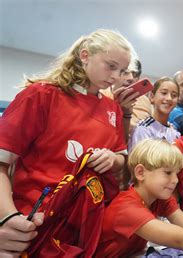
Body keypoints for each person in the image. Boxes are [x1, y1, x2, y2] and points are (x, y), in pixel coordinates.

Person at [0, 29, 133, 256]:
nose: (115, 77)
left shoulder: (113, 110)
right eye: (111, 66)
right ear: (85, 55)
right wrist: (7, 216)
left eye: (121, 71)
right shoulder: (41, 95)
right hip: (35, 221)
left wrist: (113, 159)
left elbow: (121, 159)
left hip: (86, 224)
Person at [128, 76, 181, 152]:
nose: (169, 98)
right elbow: (138, 161)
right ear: (152, 97)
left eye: (174, 95)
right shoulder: (143, 128)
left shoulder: (175, 132)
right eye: (164, 93)